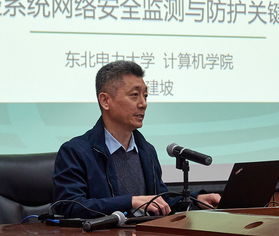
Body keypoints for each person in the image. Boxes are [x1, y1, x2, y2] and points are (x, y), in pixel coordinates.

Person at [52, 60, 220, 218]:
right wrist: (130, 202)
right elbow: (69, 206)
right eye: (134, 95)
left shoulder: (146, 150)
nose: (143, 104)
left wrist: (196, 200)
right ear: (105, 101)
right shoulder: (76, 152)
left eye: (145, 96)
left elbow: (161, 203)